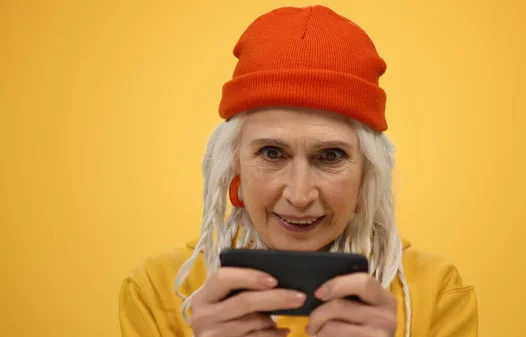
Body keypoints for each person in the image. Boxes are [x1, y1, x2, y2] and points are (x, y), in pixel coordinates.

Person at [118, 5, 478, 337]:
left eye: (331, 155)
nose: (299, 195)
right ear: (234, 166)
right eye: (272, 153)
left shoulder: (435, 294)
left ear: (367, 174)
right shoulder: (160, 290)